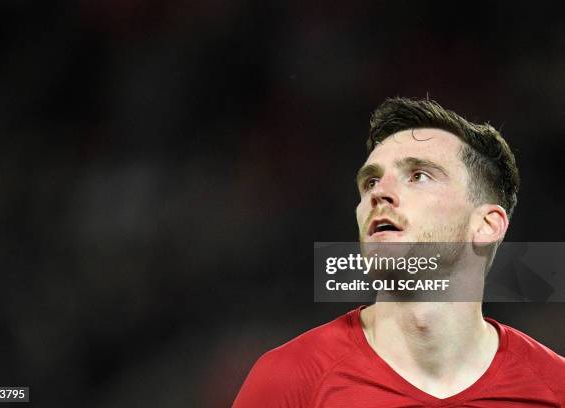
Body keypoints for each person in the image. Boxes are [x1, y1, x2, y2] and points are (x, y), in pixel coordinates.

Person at [233, 97, 565, 407]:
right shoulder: (290, 380)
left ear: (486, 225)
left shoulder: (555, 388)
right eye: (371, 182)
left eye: (418, 176)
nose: (379, 195)